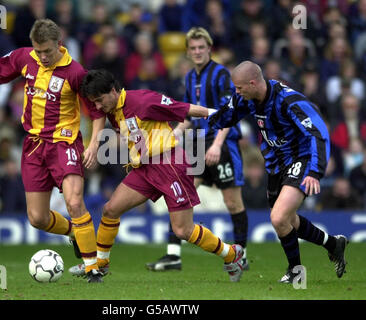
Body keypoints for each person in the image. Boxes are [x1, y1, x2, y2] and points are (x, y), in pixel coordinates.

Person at [0, 19, 106, 283]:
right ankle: (76, 232)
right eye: (38, 51)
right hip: (34, 146)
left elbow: (97, 109)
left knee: (75, 202)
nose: (42, 56)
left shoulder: (75, 72)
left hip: (64, 143)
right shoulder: (25, 57)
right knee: (38, 218)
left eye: (47, 51)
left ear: (59, 44)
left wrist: (94, 143)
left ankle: (93, 268)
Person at [68, 69, 245, 282]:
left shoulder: (144, 100)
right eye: (94, 102)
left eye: (99, 101)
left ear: (113, 91)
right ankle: (100, 265)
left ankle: (232, 254)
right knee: (110, 209)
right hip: (144, 169)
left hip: (170, 165)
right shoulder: (112, 109)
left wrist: (220, 113)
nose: (97, 107)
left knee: (183, 230)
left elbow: (185, 108)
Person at [209, 61, 349, 283]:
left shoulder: (288, 100)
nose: (236, 92)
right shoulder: (249, 98)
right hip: (276, 165)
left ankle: (296, 271)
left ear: (253, 83)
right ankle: (333, 244)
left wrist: (314, 170)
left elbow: (318, 132)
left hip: (301, 160)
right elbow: (227, 114)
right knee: (288, 220)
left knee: (278, 217)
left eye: (239, 88)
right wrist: (204, 118)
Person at [146, 27, 249, 272]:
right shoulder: (191, 77)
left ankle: (240, 255)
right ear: (188, 52)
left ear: (209, 48)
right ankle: (173, 256)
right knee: (181, 194)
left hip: (221, 143)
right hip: (198, 144)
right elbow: (190, 114)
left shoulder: (222, 74)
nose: (197, 52)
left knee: (233, 202)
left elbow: (229, 113)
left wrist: (217, 144)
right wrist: (174, 134)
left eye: (201, 47)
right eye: (193, 48)